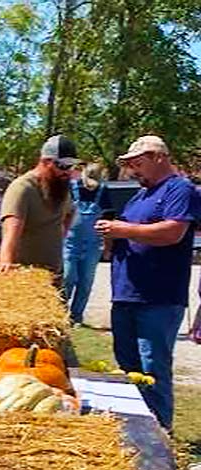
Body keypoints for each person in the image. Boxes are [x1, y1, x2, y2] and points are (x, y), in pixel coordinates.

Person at [95, 135, 198, 430]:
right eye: (129, 166)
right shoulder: (140, 195)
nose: (132, 171)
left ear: (158, 157)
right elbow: (129, 233)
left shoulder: (180, 189)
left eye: (137, 164)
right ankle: (133, 429)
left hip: (159, 296)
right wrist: (111, 237)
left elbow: (173, 232)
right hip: (126, 293)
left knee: (153, 368)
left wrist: (123, 229)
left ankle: (160, 435)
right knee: (128, 368)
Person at [0, 135, 77, 276]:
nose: (67, 171)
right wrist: (6, 262)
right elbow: (11, 230)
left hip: (53, 272)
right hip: (26, 275)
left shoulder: (60, 187)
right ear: (45, 162)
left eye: (71, 166)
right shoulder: (22, 188)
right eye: (62, 166)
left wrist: (59, 238)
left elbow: (68, 214)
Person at [62, 163, 112, 326]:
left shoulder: (103, 192)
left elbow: (108, 220)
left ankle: (77, 316)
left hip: (93, 244)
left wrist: (106, 246)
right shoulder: (72, 188)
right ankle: (60, 311)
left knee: (86, 281)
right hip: (71, 243)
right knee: (68, 277)